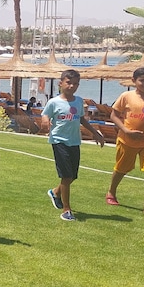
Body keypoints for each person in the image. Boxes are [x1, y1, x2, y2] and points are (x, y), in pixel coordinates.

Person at [40, 69, 106, 221]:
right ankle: (66, 210)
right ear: (61, 83)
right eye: (69, 83)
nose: (72, 86)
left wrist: (95, 133)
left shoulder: (78, 101)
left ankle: (55, 192)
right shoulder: (54, 102)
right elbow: (45, 114)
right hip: (59, 141)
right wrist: (45, 120)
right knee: (66, 175)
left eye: (75, 84)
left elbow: (81, 119)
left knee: (72, 176)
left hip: (74, 141)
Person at [105, 66, 144, 216]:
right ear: (134, 81)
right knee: (121, 169)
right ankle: (111, 192)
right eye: (141, 80)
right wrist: (126, 130)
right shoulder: (126, 96)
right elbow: (114, 115)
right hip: (127, 140)